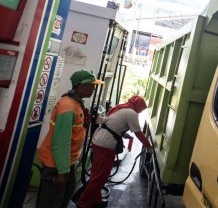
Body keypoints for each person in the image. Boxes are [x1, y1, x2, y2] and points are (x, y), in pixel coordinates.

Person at [37, 69, 104, 208]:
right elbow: (60, 142)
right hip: (56, 165)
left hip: (67, 162)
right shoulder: (68, 106)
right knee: (52, 203)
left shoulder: (76, 103)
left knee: (63, 200)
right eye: (92, 85)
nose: (94, 89)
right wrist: (62, 172)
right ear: (81, 86)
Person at [77, 95, 154, 208]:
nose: (140, 112)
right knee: (100, 176)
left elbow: (114, 124)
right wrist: (148, 146)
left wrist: (123, 133)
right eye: (141, 109)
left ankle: (96, 200)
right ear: (138, 105)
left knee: (97, 174)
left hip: (98, 140)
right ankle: (84, 204)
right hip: (105, 145)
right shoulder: (131, 113)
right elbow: (138, 132)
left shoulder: (121, 108)